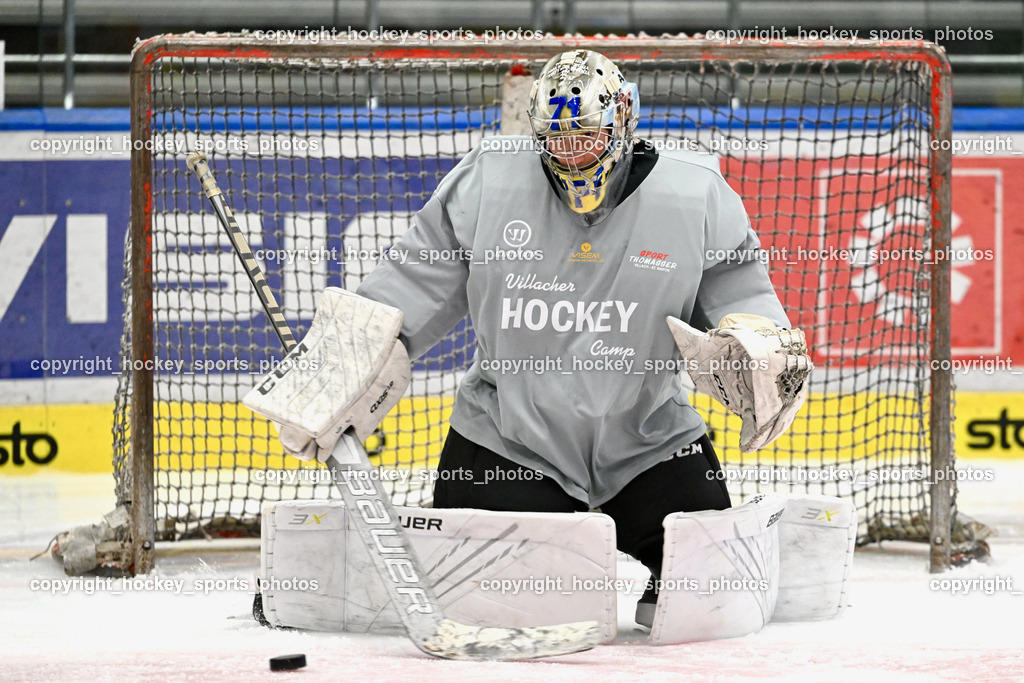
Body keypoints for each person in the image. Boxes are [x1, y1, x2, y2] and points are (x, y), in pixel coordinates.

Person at [353, 49, 798, 626]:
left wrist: (757, 347)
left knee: (709, 599)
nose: (571, 151)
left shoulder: (696, 195)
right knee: (511, 606)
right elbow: (412, 280)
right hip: (509, 445)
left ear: (623, 123)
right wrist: (349, 361)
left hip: (649, 442)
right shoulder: (489, 180)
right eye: (556, 138)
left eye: (585, 135)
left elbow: (740, 293)